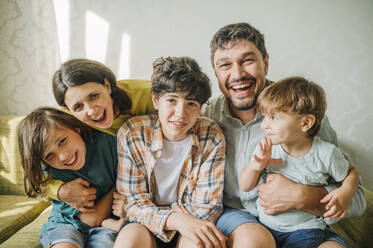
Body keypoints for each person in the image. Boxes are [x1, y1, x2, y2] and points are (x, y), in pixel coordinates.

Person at [201, 22, 366, 248]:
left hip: (301, 223)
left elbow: (356, 198)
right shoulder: (205, 116)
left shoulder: (299, 114)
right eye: (225, 65)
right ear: (216, 72)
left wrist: (303, 196)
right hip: (238, 218)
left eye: (247, 60)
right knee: (253, 242)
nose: (237, 74)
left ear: (266, 62)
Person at [114, 56, 227, 248]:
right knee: (128, 242)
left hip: (193, 221)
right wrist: (177, 220)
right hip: (146, 224)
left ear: (200, 107)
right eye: (172, 100)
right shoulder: (133, 132)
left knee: (200, 243)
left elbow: (208, 206)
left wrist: (181, 222)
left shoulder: (210, 134)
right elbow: (133, 202)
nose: (180, 113)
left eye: (191, 104)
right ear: (156, 100)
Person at [239, 76, 360, 247]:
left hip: (305, 230)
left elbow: (351, 173)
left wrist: (346, 191)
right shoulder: (267, 147)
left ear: (305, 123)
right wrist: (255, 167)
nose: (264, 125)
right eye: (264, 117)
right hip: (265, 226)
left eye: (274, 118)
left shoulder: (326, 153)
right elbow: (244, 185)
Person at [46, 58, 155, 212]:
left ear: (107, 85)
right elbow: (34, 171)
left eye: (93, 96)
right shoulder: (66, 121)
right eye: (78, 106)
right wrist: (60, 190)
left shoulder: (146, 94)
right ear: (69, 111)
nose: (91, 111)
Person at [17, 107, 126, 248]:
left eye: (62, 141)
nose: (63, 157)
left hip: (108, 224)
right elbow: (90, 219)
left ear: (76, 127)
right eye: (50, 155)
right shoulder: (50, 171)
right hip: (65, 224)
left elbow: (94, 218)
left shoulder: (109, 142)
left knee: (105, 243)